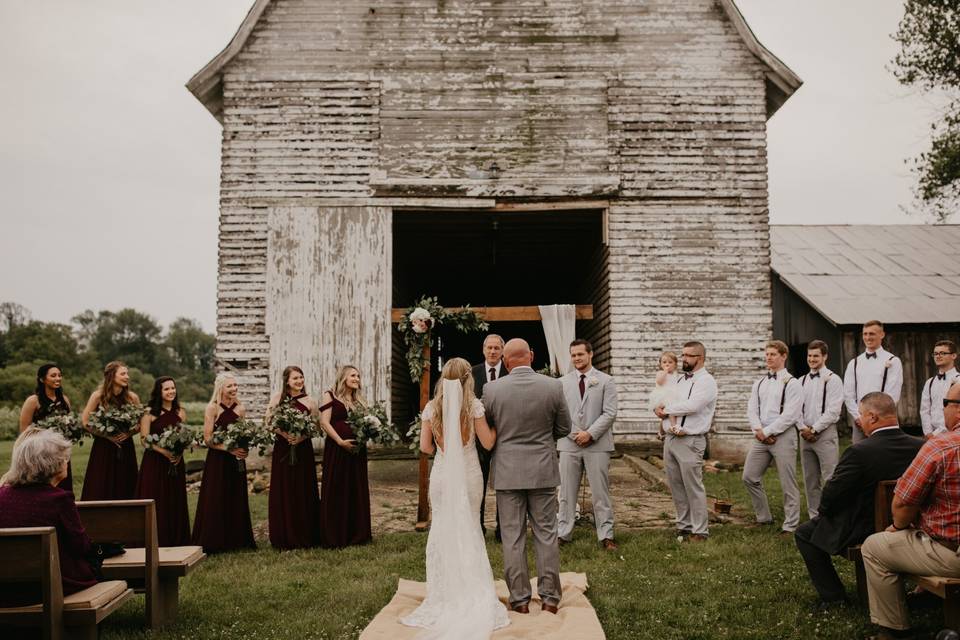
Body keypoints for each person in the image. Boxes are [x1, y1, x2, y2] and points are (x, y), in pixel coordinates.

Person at [400, 358, 509, 636]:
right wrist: (499, 428)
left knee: (443, 529)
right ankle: (470, 588)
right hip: (469, 473)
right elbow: (487, 442)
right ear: (467, 379)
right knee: (470, 527)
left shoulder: (431, 408)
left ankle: (444, 592)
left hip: (441, 475)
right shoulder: (473, 406)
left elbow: (425, 447)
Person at [794, 392, 923, 610]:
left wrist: (826, 514)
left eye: (861, 415)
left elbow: (831, 496)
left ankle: (834, 598)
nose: (859, 420)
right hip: (912, 522)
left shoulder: (859, 452)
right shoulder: (920, 446)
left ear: (872, 417)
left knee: (804, 533)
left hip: (865, 527)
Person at [860, 382, 960, 640]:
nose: (944, 409)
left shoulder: (941, 446)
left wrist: (899, 526)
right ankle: (924, 597)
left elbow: (903, 504)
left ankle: (893, 630)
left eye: (945, 403)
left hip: (951, 554)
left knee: (874, 547)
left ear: (957, 411)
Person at [482, 338, 571, 614]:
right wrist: (543, 439)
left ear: (506, 361)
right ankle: (550, 599)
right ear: (531, 356)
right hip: (543, 470)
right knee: (546, 534)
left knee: (512, 536)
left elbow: (489, 430)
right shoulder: (553, 386)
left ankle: (519, 600)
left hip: (508, 471)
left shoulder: (492, 389)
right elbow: (565, 427)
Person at [0, 428, 98, 605]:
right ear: (53, 464)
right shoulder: (59, 499)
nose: (66, 462)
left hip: (5, 587)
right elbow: (80, 546)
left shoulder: (2, 495)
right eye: (64, 459)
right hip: (48, 586)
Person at [557, 339, 619, 550]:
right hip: (569, 443)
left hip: (597, 444)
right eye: (573, 355)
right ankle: (563, 533)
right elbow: (560, 412)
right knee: (566, 492)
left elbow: (610, 412)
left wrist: (590, 434)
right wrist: (575, 434)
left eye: (580, 354)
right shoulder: (562, 382)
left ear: (590, 354)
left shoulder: (606, 380)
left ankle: (606, 535)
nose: (576, 358)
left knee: (600, 492)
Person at [654, 341, 718, 541]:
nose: (683, 359)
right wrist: (658, 408)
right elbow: (667, 398)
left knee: (693, 486)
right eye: (683, 355)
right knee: (676, 485)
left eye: (688, 356)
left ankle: (700, 531)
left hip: (691, 440)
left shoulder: (707, 381)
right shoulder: (680, 380)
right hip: (671, 439)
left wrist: (667, 410)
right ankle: (684, 526)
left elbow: (693, 405)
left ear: (700, 358)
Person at [742, 340, 803, 535]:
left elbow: (791, 415)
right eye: (767, 354)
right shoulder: (759, 382)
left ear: (784, 356)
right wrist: (758, 430)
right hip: (760, 435)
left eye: (773, 354)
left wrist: (768, 432)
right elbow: (752, 409)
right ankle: (764, 517)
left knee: (787, 481)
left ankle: (791, 524)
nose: (768, 357)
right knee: (749, 477)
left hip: (783, 436)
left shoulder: (793, 383)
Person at [191, 372, 256, 553]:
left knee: (236, 495)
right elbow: (207, 439)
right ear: (221, 388)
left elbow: (243, 433)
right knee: (216, 496)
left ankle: (236, 539)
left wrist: (244, 447)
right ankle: (214, 539)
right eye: (230, 386)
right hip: (218, 460)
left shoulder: (240, 409)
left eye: (235, 385)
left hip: (236, 461)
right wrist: (228, 448)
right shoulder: (212, 408)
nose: (234, 389)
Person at [265, 365, 321, 550]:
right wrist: (285, 434)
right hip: (283, 449)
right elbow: (269, 423)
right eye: (295, 378)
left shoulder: (310, 401)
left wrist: (301, 437)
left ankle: (306, 534)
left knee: (302, 489)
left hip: (303, 449)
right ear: (287, 381)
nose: (299, 381)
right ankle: (284, 534)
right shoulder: (277, 399)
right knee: (285, 489)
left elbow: (316, 428)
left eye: (301, 377)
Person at [318, 365, 372, 548]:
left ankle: (357, 534)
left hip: (357, 452)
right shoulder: (330, 395)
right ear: (343, 377)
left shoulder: (359, 400)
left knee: (355, 488)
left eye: (358, 375)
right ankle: (335, 534)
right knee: (337, 488)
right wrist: (340, 441)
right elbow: (324, 422)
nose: (357, 378)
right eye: (353, 375)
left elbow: (365, 423)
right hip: (338, 450)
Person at [135, 376, 191, 546]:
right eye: (166, 389)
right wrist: (164, 452)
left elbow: (183, 436)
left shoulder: (180, 412)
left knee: (175, 499)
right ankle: (154, 538)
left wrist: (179, 453)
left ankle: (177, 538)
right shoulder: (149, 413)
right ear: (159, 392)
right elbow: (144, 440)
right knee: (156, 496)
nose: (171, 391)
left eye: (173, 388)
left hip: (175, 462)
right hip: (155, 462)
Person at [80, 361, 140, 501]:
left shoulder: (132, 398)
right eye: (123, 374)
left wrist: (128, 434)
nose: (127, 377)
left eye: (127, 373)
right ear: (112, 376)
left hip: (125, 446)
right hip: (104, 446)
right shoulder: (98, 396)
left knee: (125, 483)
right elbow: (85, 422)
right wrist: (107, 436)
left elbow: (140, 422)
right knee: (101, 483)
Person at [797, 340, 844, 518]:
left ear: (824, 356)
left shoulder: (833, 380)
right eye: (809, 356)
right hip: (805, 434)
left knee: (830, 477)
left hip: (824, 434)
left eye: (816, 355)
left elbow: (833, 411)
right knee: (810, 478)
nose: (812, 359)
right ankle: (814, 515)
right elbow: (795, 409)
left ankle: (832, 514)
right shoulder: (801, 381)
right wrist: (803, 428)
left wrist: (814, 429)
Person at [471, 333, 508, 538]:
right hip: (478, 439)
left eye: (496, 348)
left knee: (504, 485)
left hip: (504, 437)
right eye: (489, 348)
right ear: (483, 350)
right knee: (479, 483)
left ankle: (502, 529)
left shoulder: (510, 372)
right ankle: (479, 527)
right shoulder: (473, 372)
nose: (493, 351)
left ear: (502, 351)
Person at [844, 320, 903, 443]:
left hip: (883, 421)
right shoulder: (854, 363)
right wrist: (859, 417)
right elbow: (848, 394)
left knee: (884, 457)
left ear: (882, 335)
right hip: (860, 422)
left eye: (872, 334)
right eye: (865, 334)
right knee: (860, 458)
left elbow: (892, 395)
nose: (868, 337)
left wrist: (876, 417)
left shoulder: (893, 361)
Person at [19, 362, 74, 492]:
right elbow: (24, 430)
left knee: (63, 486)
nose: (58, 378)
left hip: (60, 452)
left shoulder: (64, 400)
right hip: (40, 453)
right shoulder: (33, 401)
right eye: (53, 376)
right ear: (42, 379)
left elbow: (69, 424)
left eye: (59, 375)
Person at [920, 340, 959, 439]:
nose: (938, 356)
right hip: (931, 436)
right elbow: (925, 410)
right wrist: (928, 433)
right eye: (935, 354)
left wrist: (937, 433)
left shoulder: (959, 380)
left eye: (943, 353)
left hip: (953, 433)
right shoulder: (930, 382)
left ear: (954, 356)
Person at [650, 351, 680, 438]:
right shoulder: (660, 373)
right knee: (670, 411)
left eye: (670, 362)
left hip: (673, 395)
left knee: (666, 416)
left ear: (675, 364)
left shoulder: (676, 374)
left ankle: (661, 432)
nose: (667, 364)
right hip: (662, 396)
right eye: (664, 362)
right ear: (660, 364)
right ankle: (674, 426)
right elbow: (659, 382)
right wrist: (665, 372)